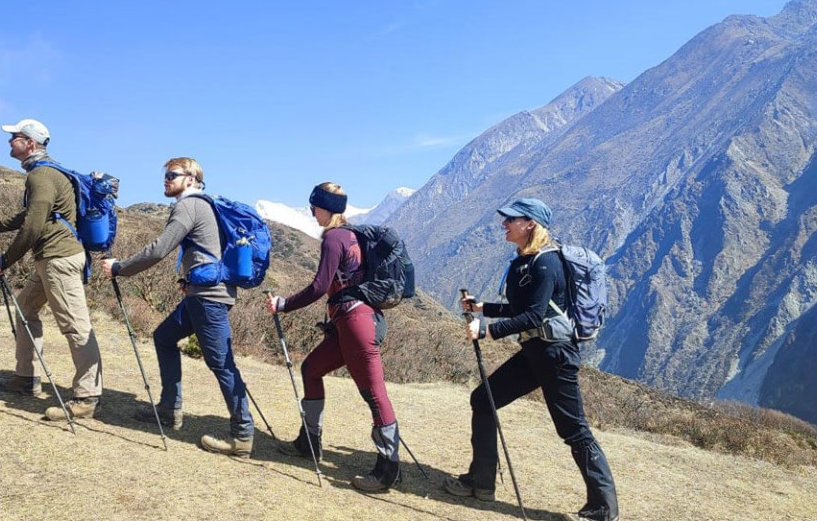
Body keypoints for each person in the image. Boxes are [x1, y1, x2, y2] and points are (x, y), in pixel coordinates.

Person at [442, 198, 619, 521]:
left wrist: (488, 332)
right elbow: (521, 309)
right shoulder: (526, 262)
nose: (504, 224)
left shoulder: (546, 263)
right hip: (536, 352)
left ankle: (604, 509)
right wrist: (482, 308)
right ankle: (481, 482)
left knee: (573, 429)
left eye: (511, 220)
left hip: (555, 355)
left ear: (531, 224)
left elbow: (535, 315)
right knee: (483, 399)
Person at [100, 157, 255, 456]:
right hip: (202, 293)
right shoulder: (203, 205)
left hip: (208, 298)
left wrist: (120, 267)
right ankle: (170, 409)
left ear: (192, 178)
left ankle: (242, 436)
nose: (166, 180)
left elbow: (159, 249)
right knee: (164, 337)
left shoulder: (189, 205)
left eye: (173, 175)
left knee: (221, 364)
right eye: (166, 175)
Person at [265, 182, 402, 493]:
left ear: (326, 208)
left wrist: (283, 304)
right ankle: (308, 443)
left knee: (374, 392)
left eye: (314, 207)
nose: (312, 212)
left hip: (355, 323)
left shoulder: (334, 239)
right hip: (352, 322)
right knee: (311, 369)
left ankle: (387, 470)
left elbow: (319, 286)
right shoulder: (354, 236)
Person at [0, 118, 103, 421]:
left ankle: (87, 397)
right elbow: (33, 214)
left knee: (75, 326)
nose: (10, 142)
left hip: (57, 261)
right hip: (53, 260)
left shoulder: (42, 176)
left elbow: (34, 225)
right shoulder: (47, 173)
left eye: (16, 137)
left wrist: (5, 260)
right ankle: (25, 378)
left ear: (30, 143)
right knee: (25, 309)